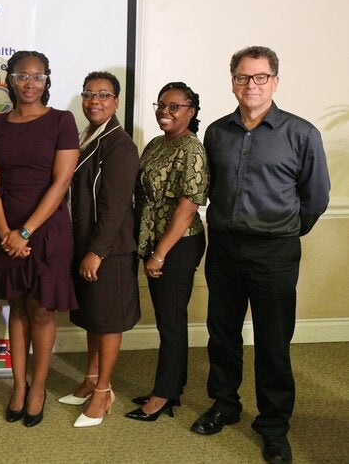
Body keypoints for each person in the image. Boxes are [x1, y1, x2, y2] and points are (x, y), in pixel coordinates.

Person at [192, 46, 330, 464]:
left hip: (275, 251)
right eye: (242, 77)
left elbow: (315, 198)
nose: (250, 85)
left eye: (260, 77)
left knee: (273, 342)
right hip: (225, 248)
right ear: (232, 80)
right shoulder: (216, 132)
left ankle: (273, 426)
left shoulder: (302, 133)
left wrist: (284, 231)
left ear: (275, 81)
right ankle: (224, 405)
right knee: (223, 333)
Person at [0, 50, 79, 427]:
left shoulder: (61, 120)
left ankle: (38, 387)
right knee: (17, 308)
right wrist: (6, 231)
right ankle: (18, 386)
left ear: (47, 80)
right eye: (22, 75)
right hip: (6, 227)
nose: (29, 83)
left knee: (40, 309)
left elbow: (61, 182)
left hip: (47, 228)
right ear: (10, 79)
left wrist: (26, 231)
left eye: (37, 77)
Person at [60, 72, 140, 428]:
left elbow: (116, 205)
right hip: (86, 244)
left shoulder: (120, 145)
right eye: (89, 94)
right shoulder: (87, 136)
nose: (95, 101)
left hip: (110, 250)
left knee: (107, 322)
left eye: (104, 94)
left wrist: (97, 252)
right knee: (93, 316)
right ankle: (91, 379)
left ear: (116, 102)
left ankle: (104, 392)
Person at [125, 82, 208, 422]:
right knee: (167, 320)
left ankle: (164, 395)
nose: (165, 111)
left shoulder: (191, 149)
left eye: (174, 106)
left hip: (178, 244)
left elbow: (188, 207)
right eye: (161, 104)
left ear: (191, 111)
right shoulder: (158, 144)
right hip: (155, 242)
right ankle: (172, 386)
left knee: (171, 322)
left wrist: (159, 253)